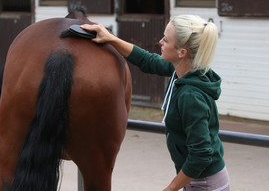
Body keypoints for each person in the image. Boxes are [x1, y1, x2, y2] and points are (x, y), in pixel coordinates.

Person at [81, 14, 230, 191]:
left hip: (205, 183)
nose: (160, 42)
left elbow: (201, 154)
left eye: (166, 40)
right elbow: (147, 61)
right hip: (196, 179)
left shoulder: (191, 96)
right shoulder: (183, 69)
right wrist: (111, 38)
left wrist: (169, 189)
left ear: (182, 52)